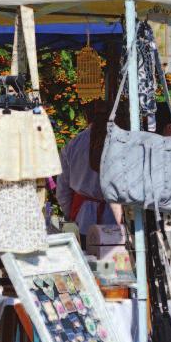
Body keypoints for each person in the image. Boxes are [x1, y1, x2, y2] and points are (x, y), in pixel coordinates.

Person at [56, 103, 122, 244]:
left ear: (86, 118)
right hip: (113, 217)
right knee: (113, 261)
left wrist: (71, 215)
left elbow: (62, 190)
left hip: (83, 217)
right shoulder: (119, 142)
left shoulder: (73, 145)